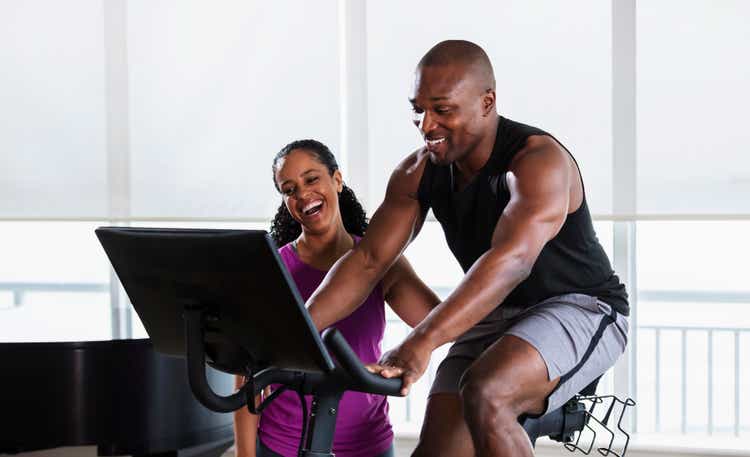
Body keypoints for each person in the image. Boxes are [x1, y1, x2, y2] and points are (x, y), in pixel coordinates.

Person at [303, 40, 630, 457]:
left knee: (488, 392)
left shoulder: (537, 161)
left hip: (581, 307)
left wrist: (420, 344)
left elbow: (511, 261)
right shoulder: (417, 172)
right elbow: (368, 261)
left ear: (487, 102)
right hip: (496, 314)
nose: (426, 125)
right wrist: (289, 334)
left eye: (442, 110)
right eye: (418, 110)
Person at [233, 139, 440, 457]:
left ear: (337, 180)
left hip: (368, 444)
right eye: (289, 189)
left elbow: (436, 322)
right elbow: (247, 381)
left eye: (312, 179)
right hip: (285, 446)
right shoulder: (272, 270)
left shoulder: (381, 262)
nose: (302, 194)